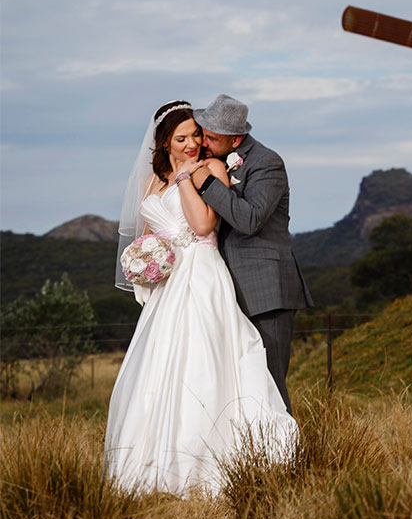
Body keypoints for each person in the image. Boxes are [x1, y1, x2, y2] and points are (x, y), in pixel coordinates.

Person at [105, 100, 297, 497]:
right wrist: (147, 258)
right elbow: (150, 232)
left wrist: (185, 181)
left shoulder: (211, 169)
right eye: (183, 137)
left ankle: (229, 463)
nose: (193, 143)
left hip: (205, 275)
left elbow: (203, 223)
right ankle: (155, 465)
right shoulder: (151, 182)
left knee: (208, 364)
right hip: (170, 286)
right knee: (160, 369)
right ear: (164, 144)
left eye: (197, 135)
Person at [190, 94, 313, 414]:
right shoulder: (211, 159)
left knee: (270, 382)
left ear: (236, 139)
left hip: (266, 291)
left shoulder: (267, 162)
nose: (203, 141)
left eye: (211, 138)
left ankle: (285, 458)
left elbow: (250, 219)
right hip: (223, 289)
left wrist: (206, 184)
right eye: (203, 133)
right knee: (238, 382)